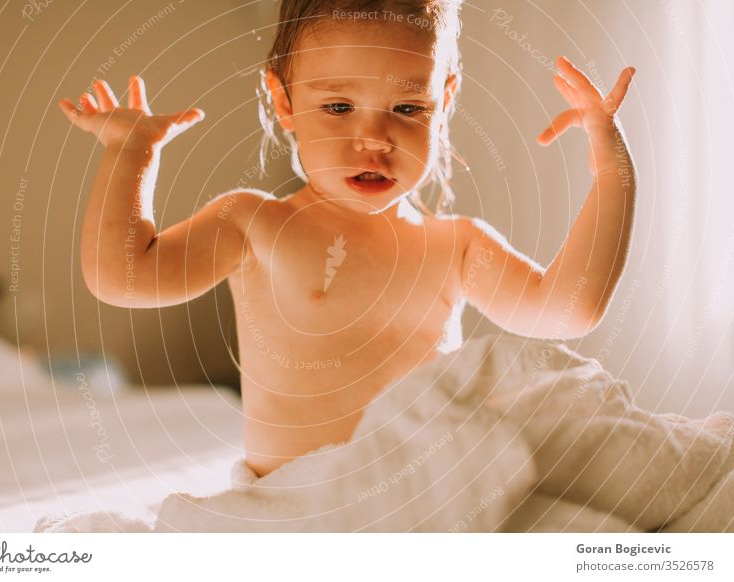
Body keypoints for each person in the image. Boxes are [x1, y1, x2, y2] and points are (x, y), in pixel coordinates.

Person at [57, 0, 636, 478]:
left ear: (446, 103)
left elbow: (569, 309)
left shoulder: (454, 248)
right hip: (295, 508)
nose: (374, 138)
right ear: (284, 102)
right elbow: (122, 280)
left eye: (408, 108)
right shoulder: (254, 225)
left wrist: (614, 175)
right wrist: (131, 152)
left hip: (427, 499)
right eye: (338, 106)